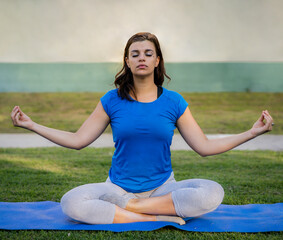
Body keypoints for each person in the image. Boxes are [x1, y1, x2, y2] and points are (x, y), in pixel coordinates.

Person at [11, 32, 274, 225]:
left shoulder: (174, 102)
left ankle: (133, 210)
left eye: (148, 54)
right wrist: (32, 124)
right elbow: (78, 139)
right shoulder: (111, 100)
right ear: (127, 60)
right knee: (70, 202)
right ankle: (150, 215)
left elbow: (204, 147)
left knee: (213, 192)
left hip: (163, 189)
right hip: (118, 190)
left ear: (157, 60)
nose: (142, 59)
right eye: (135, 54)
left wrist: (251, 132)